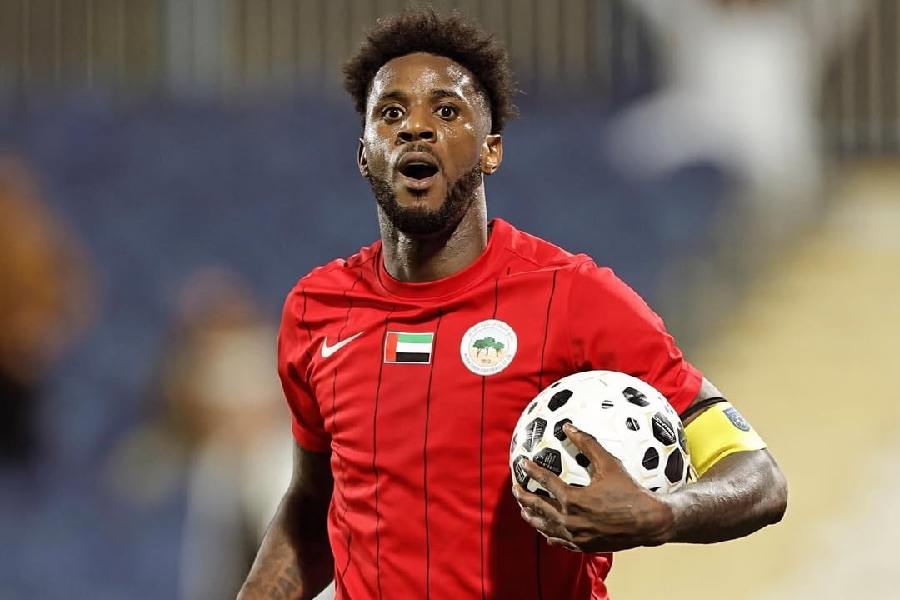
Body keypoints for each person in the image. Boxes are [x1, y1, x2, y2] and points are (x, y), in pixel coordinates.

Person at [238, 8, 787, 600]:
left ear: (491, 151)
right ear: (364, 153)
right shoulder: (316, 310)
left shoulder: (574, 297)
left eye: (446, 111)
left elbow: (758, 478)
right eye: (391, 113)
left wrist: (663, 515)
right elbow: (312, 505)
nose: (415, 128)